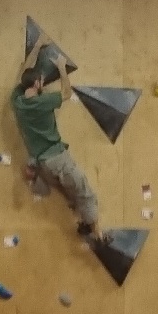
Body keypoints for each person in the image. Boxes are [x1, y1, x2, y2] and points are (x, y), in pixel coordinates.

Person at [13, 42, 99, 235]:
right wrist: (61, 67)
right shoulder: (43, 102)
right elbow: (67, 93)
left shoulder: (17, 103)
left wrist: (36, 47)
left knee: (69, 190)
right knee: (85, 191)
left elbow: (22, 75)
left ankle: (83, 219)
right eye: (42, 80)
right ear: (37, 84)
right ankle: (98, 233)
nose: (43, 83)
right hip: (57, 157)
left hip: (44, 162)